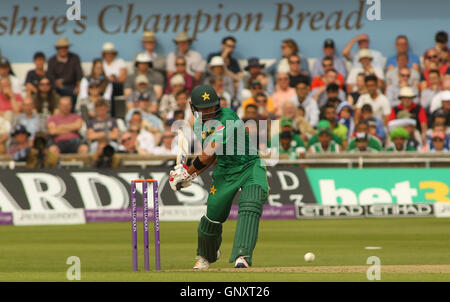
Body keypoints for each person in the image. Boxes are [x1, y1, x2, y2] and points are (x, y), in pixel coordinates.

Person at [168, 84, 269, 270]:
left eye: (211, 107)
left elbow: (207, 153)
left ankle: (242, 256)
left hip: (249, 165)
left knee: (251, 202)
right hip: (225, 170)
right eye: (203, 108)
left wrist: (187, 172)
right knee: (212, 217)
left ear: (217, 105)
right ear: (194, 108)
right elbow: (210, 158)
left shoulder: (227, 117)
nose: (207, 111)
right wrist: (187, 177)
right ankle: (206, 256)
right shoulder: (199, 125)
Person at [47, 37, 83, 107]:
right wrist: (55, 83)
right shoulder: (52, 60)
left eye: (65, 47)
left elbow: (79, 74)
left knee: (75, 94)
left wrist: (78, 87)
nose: (63, 50)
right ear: (57, 49)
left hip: (71, 87)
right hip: (57, 88)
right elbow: (49, 76)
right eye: (61, 48)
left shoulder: (74, 58)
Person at [102, 42, 128, 116]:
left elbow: (123, 77)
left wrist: (114, 78)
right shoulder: (102, 63)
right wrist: (108, 79)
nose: (109, 55)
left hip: (117, 86)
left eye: (110, 53)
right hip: (104, 86)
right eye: (107, 53)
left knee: (112, 86)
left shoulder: (120, 62)